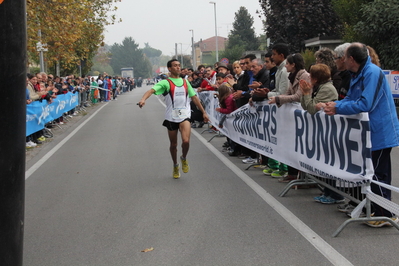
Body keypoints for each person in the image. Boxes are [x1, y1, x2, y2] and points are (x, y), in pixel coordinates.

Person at [323, 43, 399, 227]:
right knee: (372, 172)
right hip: (369, 131)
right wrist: (334, 105)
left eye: (342, 57)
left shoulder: (372, 73)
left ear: (351, 59)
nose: (339, 60)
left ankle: (386, 214)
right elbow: (350, 98)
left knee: (379, 174)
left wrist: (338, 107)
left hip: (380, 130)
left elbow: (365, 103)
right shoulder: (358, 73)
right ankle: (377, 209)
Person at [138, 59, 210, 179]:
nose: (178, 67)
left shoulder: (185, 82)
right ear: (170, 69)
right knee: (173, 144)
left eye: (179, 65)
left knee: (186, 141)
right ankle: (175, 165)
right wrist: (143, 99)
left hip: (185, 116)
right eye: (175, 66)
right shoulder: (165, 83)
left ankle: (184, 158)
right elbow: (151, 90)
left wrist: (204, 112)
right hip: (171, 117)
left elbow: (194, 98)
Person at [268, 53, 310, 182]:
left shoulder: (304, 76)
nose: (285, 66)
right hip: (293, 118)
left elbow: (298, 96)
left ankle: (302, 176)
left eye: (287, 63)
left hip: (303, 115)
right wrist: (279, 99)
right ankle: (292, 173)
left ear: (293, 65)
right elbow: (288, 93)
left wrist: (279, 99)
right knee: (291, 145)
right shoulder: (292, 76)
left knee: (300, 146)